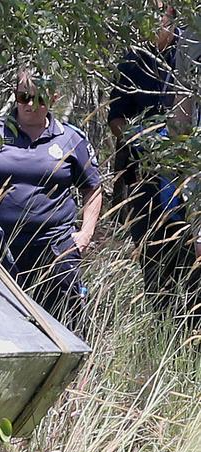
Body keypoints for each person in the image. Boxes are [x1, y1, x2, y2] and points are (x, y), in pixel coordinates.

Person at [0, 69, 102, 324]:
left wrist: (85, 234)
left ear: (54, 99)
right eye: (24, 97)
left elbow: (93, 187)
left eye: (39, 99)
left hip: (54, 248)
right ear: (15, 96)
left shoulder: (71, 138)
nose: (30, 105)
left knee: (63, 324)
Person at [108, 3, 196, 307]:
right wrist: (141, 141)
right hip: (144, 178)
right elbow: (115, 118)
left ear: (170, 13)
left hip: (190, 180)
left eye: (155, 10)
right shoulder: (133, 60)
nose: (149, 17)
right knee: (156, 266)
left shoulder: (193, 52)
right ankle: (162, 330)